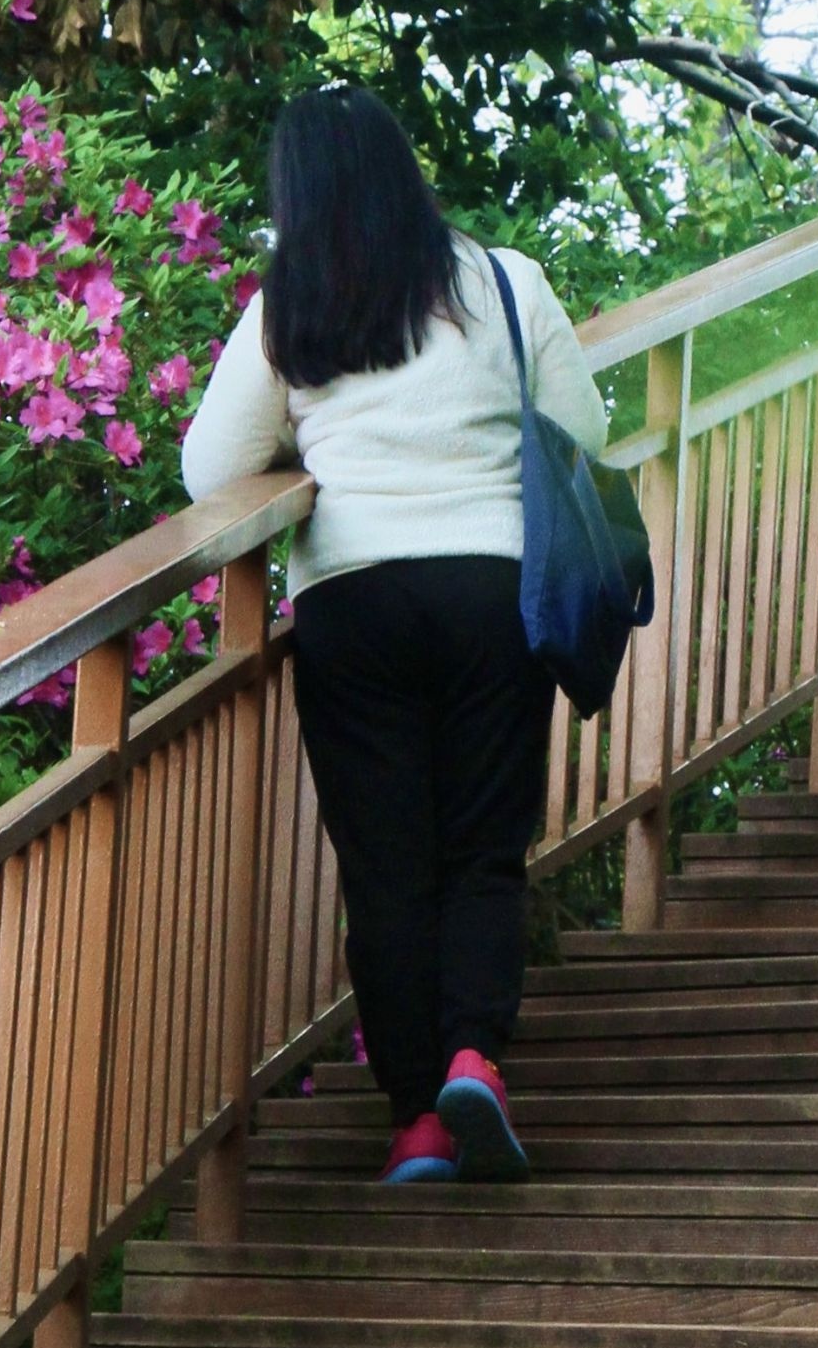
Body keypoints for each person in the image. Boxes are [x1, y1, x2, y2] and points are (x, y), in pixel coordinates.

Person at [181, 85, 606, 1185]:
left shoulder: (292, 303)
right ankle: (476, 1054)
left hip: (355, 598)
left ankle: (417, 1118)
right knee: (481, 847)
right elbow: (585, 429)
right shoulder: (504, 280)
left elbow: (209, 472)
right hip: (493, 589)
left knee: (385, 865)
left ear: (299, 191)